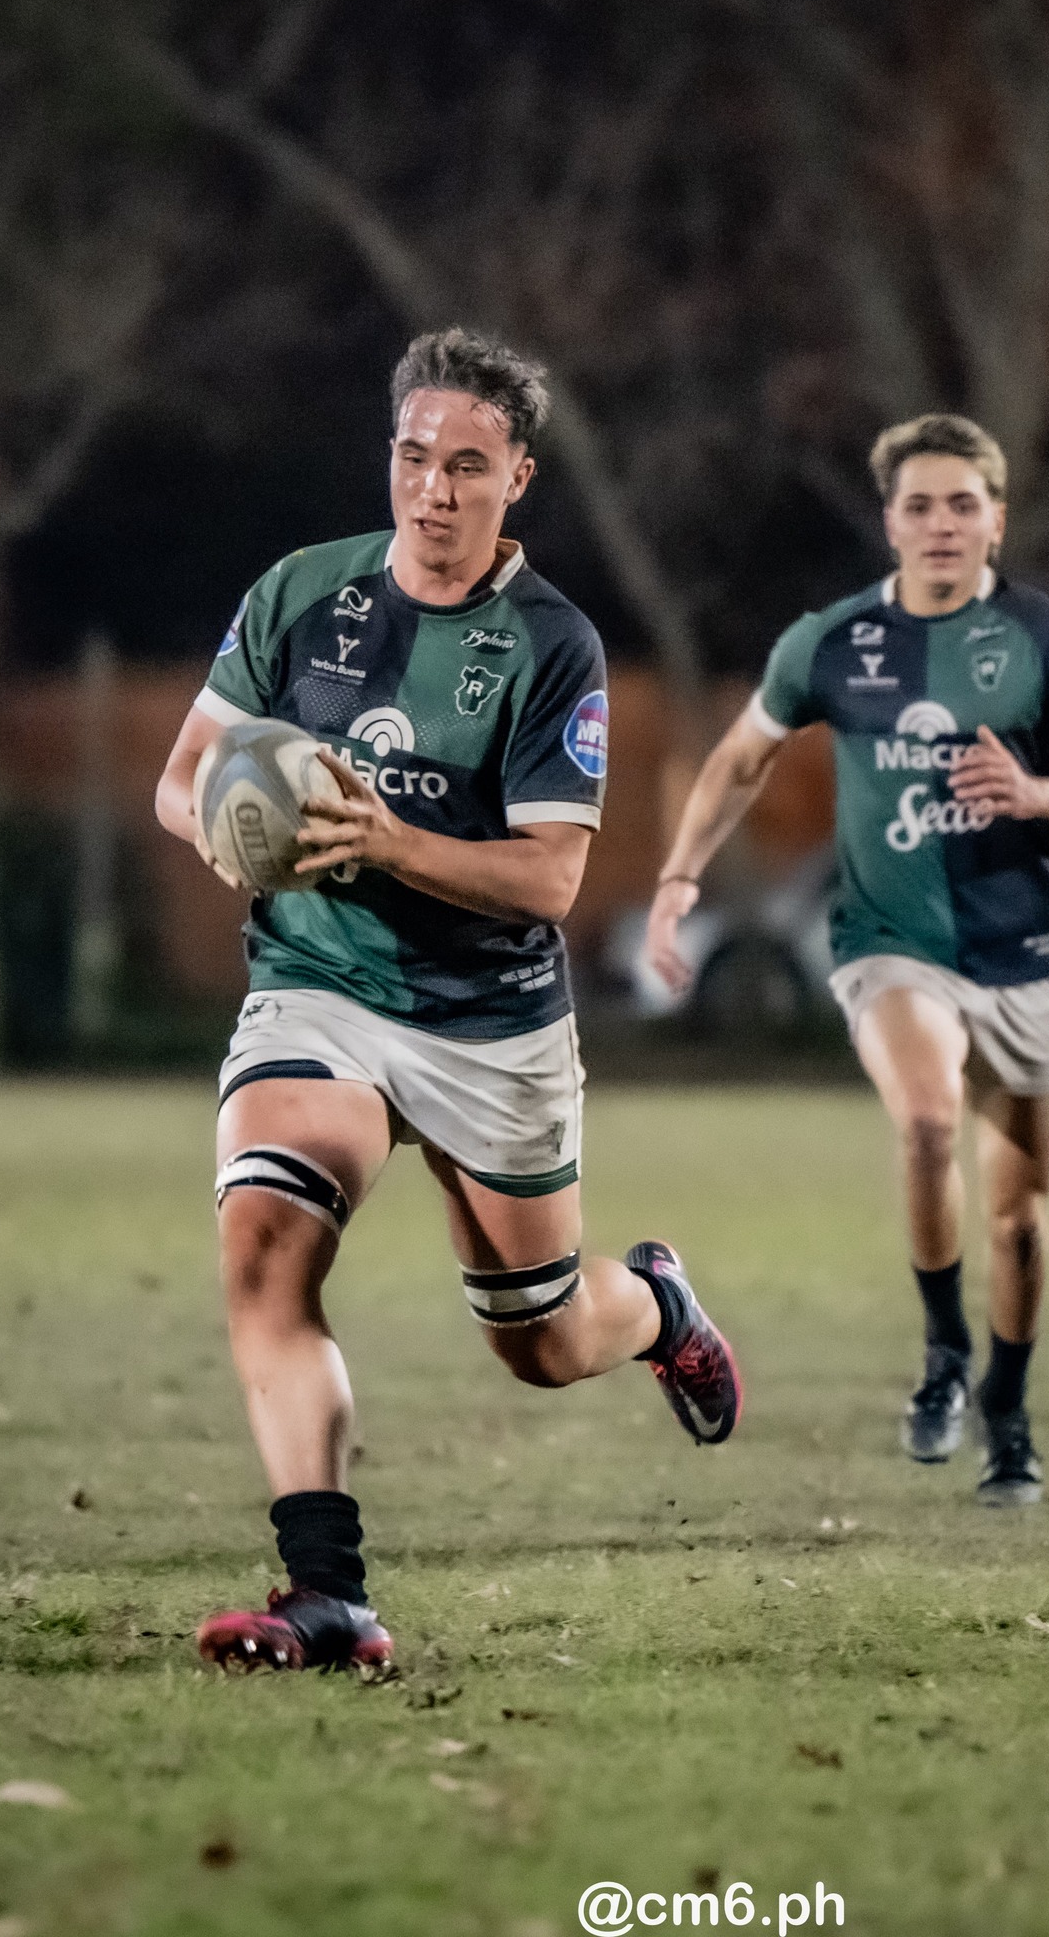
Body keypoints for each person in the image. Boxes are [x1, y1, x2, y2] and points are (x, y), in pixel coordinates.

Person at [155, 327, 741, 1671]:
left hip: (489, 1026)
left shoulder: (551, 646)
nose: (433, 489)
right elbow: (182, 775)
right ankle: (328, 1595)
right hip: (318, 983)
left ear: (517, 478)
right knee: (265, 1244)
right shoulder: (301, 593)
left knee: (540, 1343)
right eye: (414, 458)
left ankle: (658, 1309)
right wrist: (225, 826)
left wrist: (382, 842)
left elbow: (548, 880)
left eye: (466, 466)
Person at [644, 414, 1049, 1505]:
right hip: (889, 943)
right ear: (891, 520)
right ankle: (943, 1354)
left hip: (1026, 954)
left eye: (964, 503)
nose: (942, 523)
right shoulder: (832, 641)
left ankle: (1007, 1410)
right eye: (920, 504)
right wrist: (680, 879)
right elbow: (741, 759)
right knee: (924, 1120)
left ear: (996, 517)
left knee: (1018, 1219)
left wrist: (1039, 791)